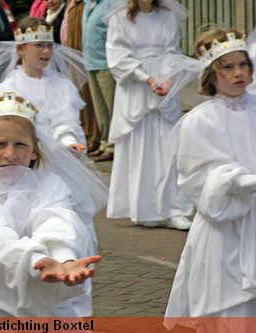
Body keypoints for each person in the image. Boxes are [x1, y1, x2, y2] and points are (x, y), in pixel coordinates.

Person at [0, 92, 107, 316]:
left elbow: (58, 220)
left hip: (52, 308)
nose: (10, 154)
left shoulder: (50, 185)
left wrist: (64, 258)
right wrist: (38, 260)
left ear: (34, 150)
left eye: (20, 144)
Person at [164, 28, 256, 332]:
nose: (238, 72)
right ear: (211, 73)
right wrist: (245, 182)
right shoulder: (199, 120)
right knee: (231, 308)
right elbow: (199, 177)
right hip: (225, 227)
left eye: (243, 64)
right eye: (227, 66)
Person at [105, 0, 193, 229]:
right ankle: (144, 208)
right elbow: (118, 56)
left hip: (163, 85)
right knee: (140, 147)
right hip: (136, 87)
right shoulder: (120, 19)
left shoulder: (167, 16)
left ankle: (175, 208)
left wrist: (166, 76)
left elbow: (172, 51)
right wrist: (146, 78)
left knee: (168, 148)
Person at [0, 17, 89, 154]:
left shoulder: (63, 86)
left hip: (59, 156)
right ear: (20, 48)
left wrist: (69, 142)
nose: (46, 51)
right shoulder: (8, 89)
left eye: (50, 45)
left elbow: (65, 122)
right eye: (39, 45)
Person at [61, 0, 101, 153]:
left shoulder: (83, 5)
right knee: (79, 97)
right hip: (71, 56)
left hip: (82, 57)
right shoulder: (72, 4)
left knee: (88, 99)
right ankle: (86, 131)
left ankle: (94, 136)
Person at [82, 0, 118, 162]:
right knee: (100, 109)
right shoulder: (88, 4)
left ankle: (114, 145)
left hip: (106, 64)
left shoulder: (111, 3)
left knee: (112, 107)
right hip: (91, 62)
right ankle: (104, 143)